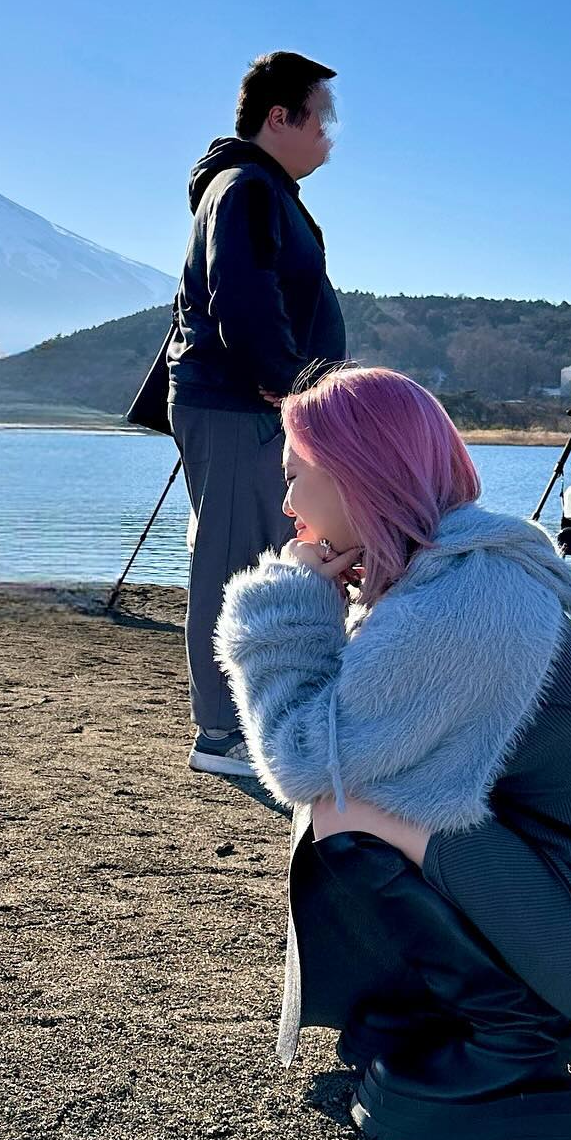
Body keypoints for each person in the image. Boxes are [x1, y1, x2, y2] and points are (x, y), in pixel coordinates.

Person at [214, 365, 571, 1140]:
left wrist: (281, 604)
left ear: (358, 476)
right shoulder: (452, 572)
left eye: (297, 478)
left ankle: (513, 1052)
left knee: (346, 808)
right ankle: (437, 1031)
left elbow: (304, 757)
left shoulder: (464, 602)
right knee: (363, 800)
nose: (289, 505)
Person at [127, 51, 349, 777]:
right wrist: (289, 383)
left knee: (257, 550)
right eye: (323, 117)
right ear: (279, 117)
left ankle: (255, 719)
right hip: (233, 402)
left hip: (245, 401)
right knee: (228, 557)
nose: (331, 134)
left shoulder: (260, 188)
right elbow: (240, 293)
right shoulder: (245, 186)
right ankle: (221, 734)